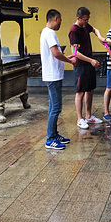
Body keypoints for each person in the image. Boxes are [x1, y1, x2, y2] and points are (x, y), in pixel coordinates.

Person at [40, 9, 76, 150]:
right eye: (60, 20)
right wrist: (69, 60)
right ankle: (50, 140)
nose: (61, 23)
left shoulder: (45, 32)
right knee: (56, 108)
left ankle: (54, 134)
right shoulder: (50, 33)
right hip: (52, 76)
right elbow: (55, 53)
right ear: (56, 18)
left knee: (53, 107)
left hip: (52, 74)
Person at [68, 6, 108, 129]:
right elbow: (76, 53)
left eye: (88, 19)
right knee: (80, 92)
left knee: (90, 90)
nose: (87, 22)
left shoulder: (85, 26)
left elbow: (94, 29)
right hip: (81, 66)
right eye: (85, 19)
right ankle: (80, 119)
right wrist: (91, 61)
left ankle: (89, 116)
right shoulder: (74, 31)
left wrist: (100, 37)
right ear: (78, 18)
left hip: (90, 64)